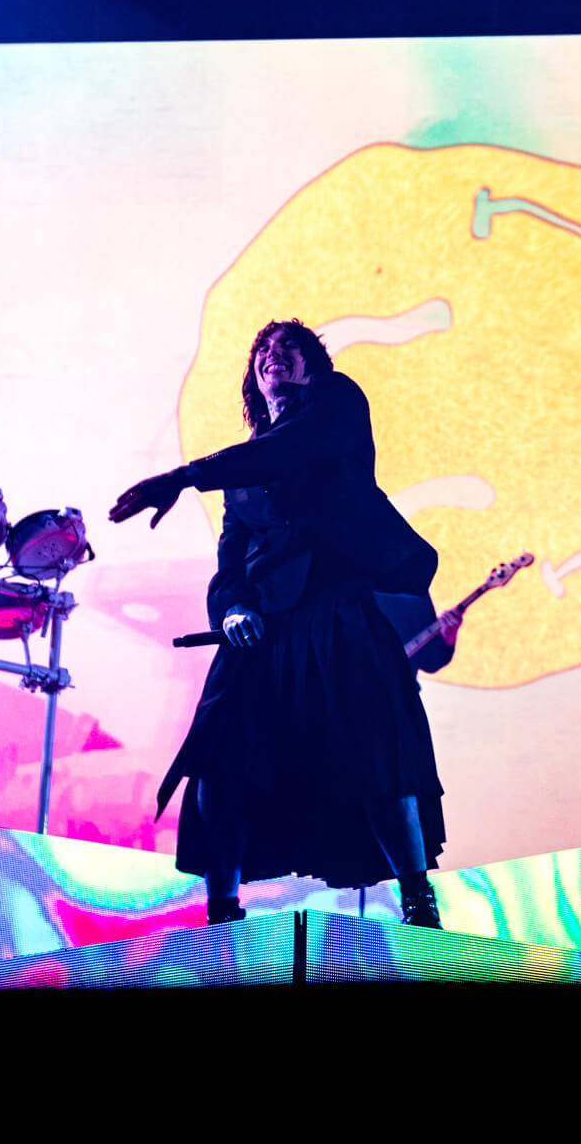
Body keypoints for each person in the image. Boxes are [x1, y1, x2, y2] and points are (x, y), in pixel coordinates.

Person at [109, 320, 450, 927]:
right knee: (219, 759)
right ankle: (222, 911)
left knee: (376, 756)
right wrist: (234, 608)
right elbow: (230, 563)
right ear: (254, 378)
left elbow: (291, 448)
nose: (275, 355)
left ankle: (418, 902)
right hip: (263, 632)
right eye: (264, 350)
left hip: (337, 614)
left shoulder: (336, 403)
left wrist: (184, 476)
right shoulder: (241, 475)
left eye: (290, 348)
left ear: (313, 366)